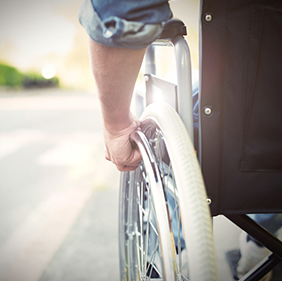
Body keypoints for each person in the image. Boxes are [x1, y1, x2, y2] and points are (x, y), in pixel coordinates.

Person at [78, 1, 281, 279]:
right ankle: (260, 243)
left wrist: (116, 127)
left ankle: (160, 263)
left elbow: (125, 10)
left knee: (178, 118)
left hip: (249, 139)